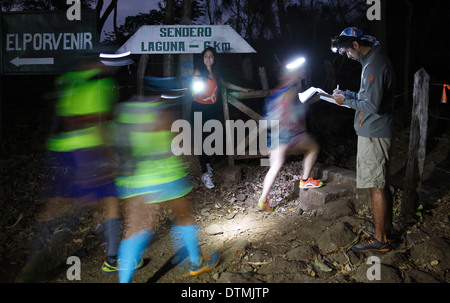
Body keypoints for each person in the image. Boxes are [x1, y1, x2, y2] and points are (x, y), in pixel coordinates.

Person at [16, 52, 132, 282]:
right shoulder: (102, 83)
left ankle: (29, 266)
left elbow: (63, 116)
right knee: (108, 201)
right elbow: (97, 122)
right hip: (88, 151)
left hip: (60, 151)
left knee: (56, 208)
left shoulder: (68, 79)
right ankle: (111, 259)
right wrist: (110, 159)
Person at [113, 87, 219, 283]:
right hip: (166, 176)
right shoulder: (161, 110)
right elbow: (180, 141)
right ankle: (196, 262)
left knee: (134, 229)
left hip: (133, 179)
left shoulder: (126, 110)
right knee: (184, 216)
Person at [331, 27, 396, 252]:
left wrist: (345, 102)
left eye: (347, 51)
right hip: (372, 132)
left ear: (356, 45)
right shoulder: (370, 62)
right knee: (378, 183)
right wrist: (348, 95)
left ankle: (381, 240)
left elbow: (373, 105)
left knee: (375, 185)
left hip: (374, 134)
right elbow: (368, 95)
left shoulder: (375, 64)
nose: (347, 56)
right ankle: (385, 228)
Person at [258, 58, 323, 211]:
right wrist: (304, 107)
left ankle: (262, 199)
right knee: (313, 147)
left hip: (274, 136)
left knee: (274, 166)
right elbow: (291, 115)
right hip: (287, 135)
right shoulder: (291, 89)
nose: (301, 73)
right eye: (298, 72)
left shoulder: (276, 91)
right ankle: (305, 180)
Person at [191, 47, 253, 189]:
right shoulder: (198, 72)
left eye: (211, 56)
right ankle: (205, 174)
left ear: (214, 59)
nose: (208, 59)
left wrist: (243, 89)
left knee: (212, 138)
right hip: (199, 108)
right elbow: (194, 90)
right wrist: (195, 90)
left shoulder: (216, 73)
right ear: (202, 58)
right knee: (202, 140)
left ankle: (206, 163)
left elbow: (225, 84)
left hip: (212, 109)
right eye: (205, 56)